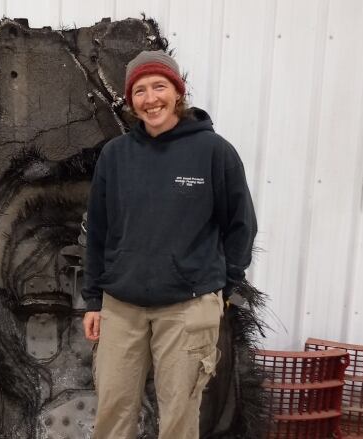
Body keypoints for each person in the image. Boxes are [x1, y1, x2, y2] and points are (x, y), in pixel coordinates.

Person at [81, 50, 257, 438]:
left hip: (187, 308)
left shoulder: (214, 152)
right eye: (140, 91)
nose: (150, 99)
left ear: (179, 91)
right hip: (121, 307)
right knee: (112, 413)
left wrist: (221, 288)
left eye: (159, 86)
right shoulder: (116, 156)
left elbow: (241, 225)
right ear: (131, 101)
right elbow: (97, 232)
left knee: (179, 415)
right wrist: (94, 300)